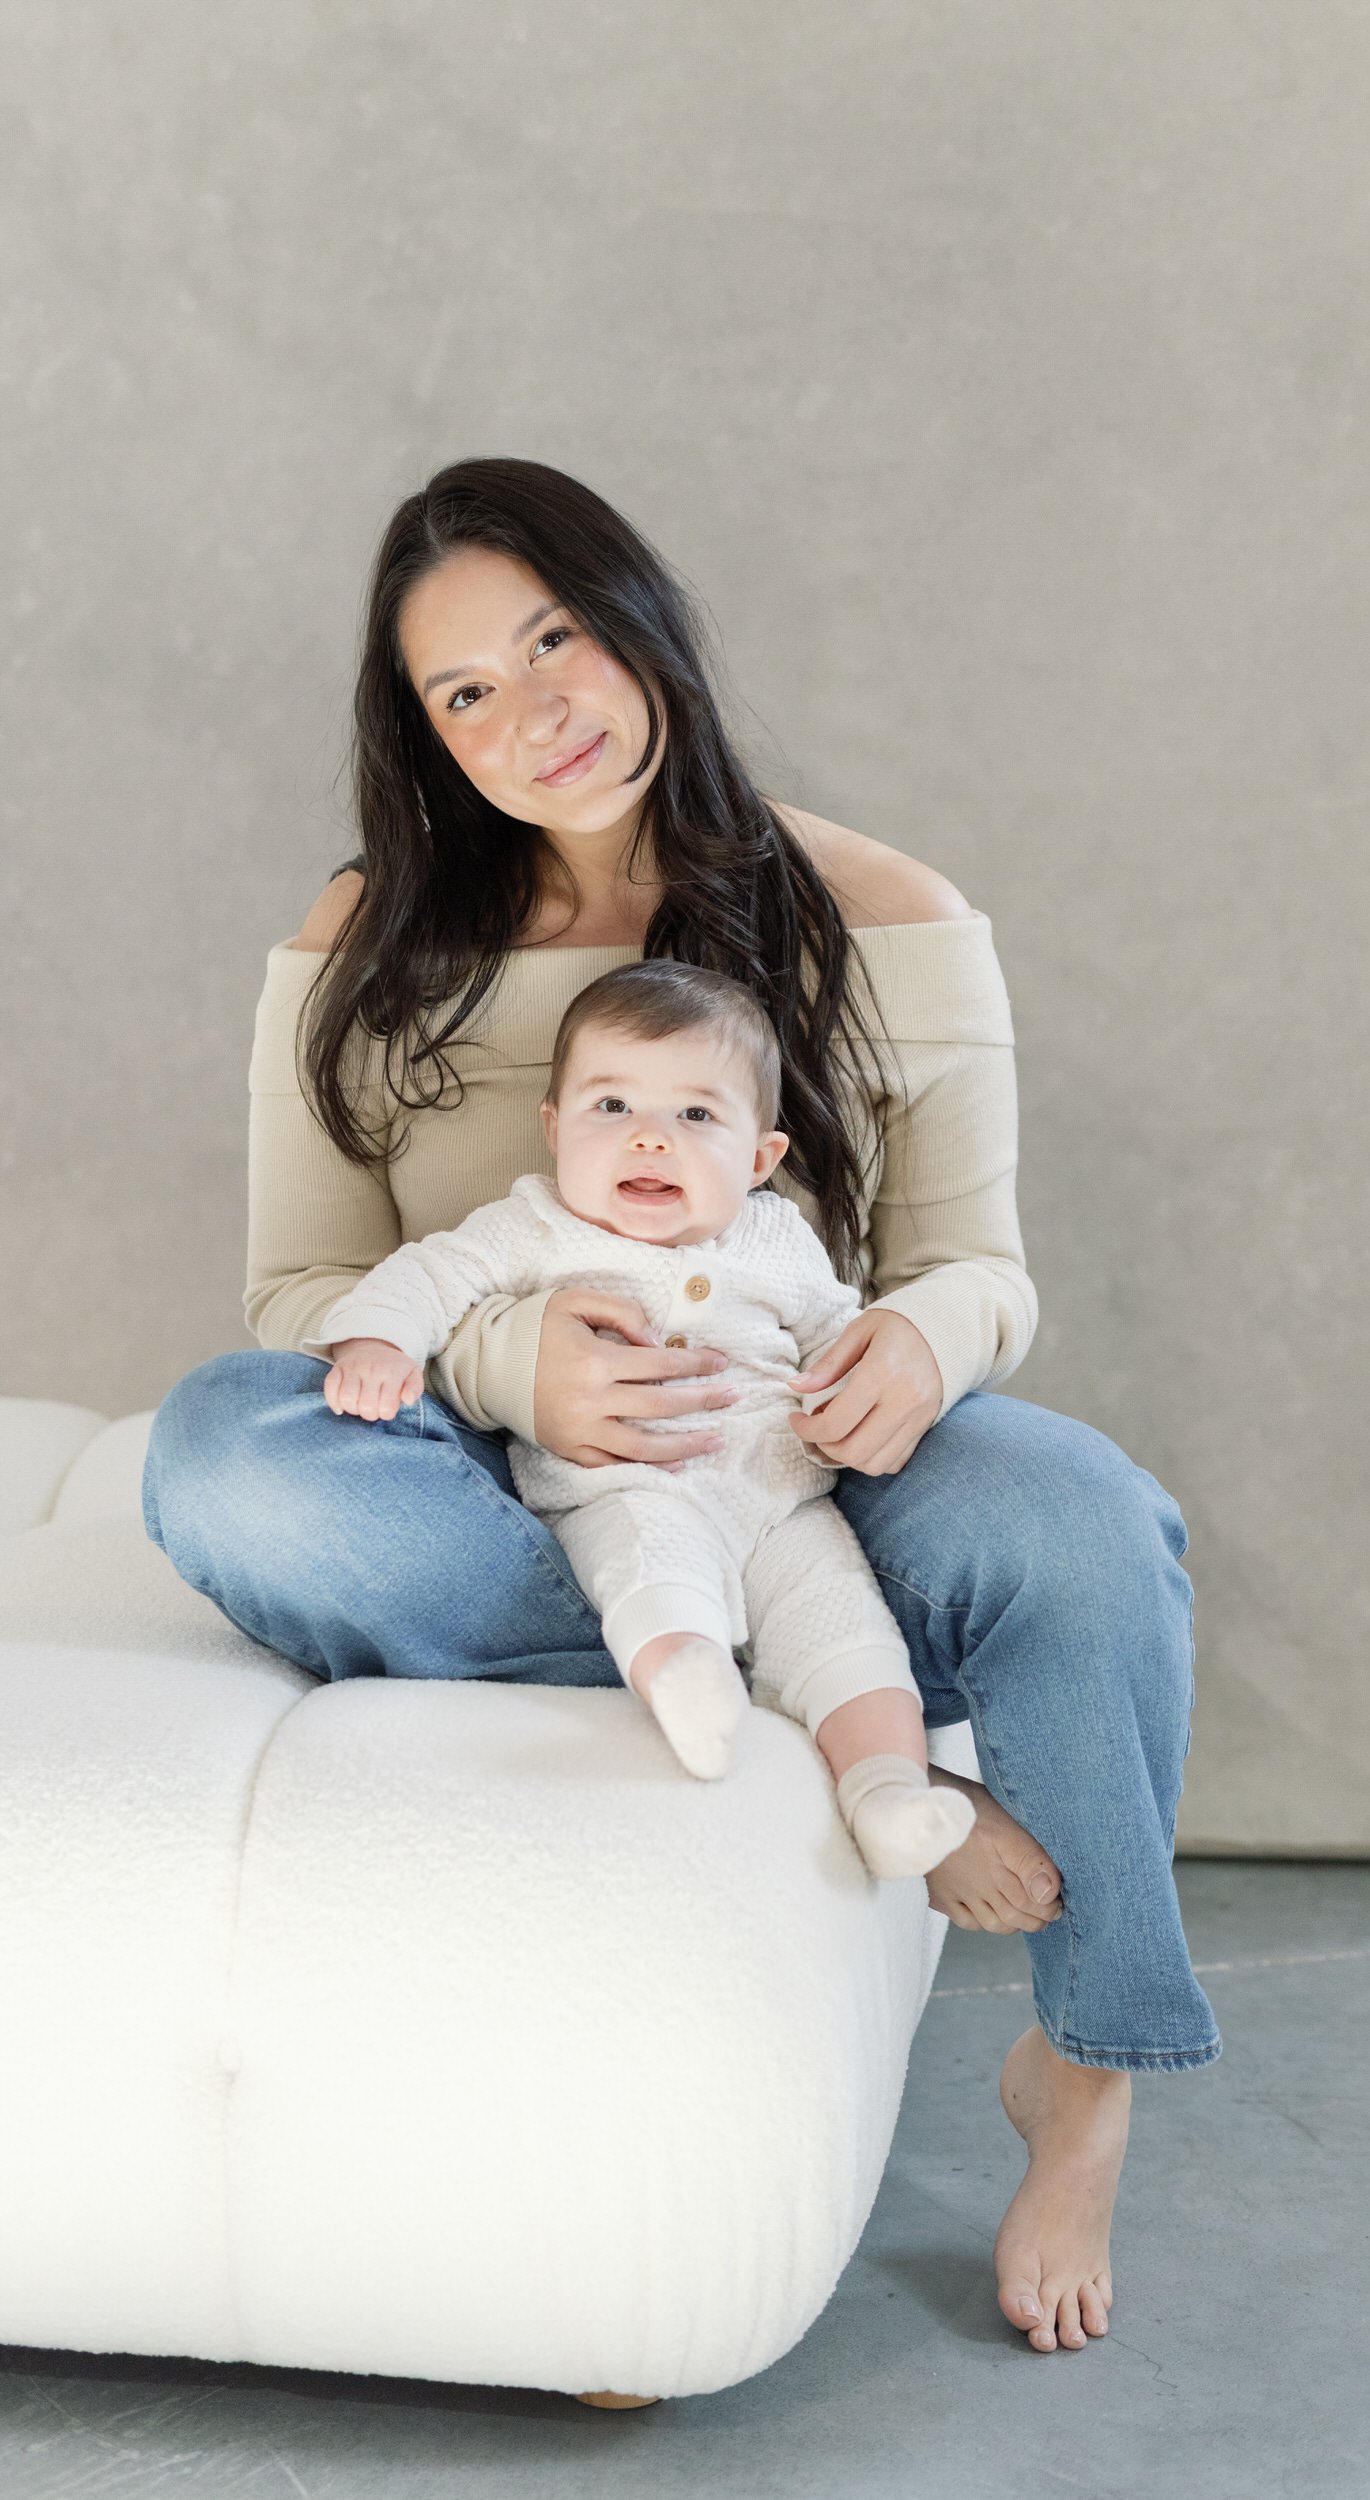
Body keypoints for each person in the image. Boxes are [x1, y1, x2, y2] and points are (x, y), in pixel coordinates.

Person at [141, 454, 1220, 2359]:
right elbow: (301, 1300)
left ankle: (1085, 2070)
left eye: (555, 638)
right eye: (466, 690)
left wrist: (922, 1348)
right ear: (427, 734)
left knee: (1081, 1518)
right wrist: (512, 1363)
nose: (532, 712)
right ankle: (829, 1716)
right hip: (495, 1486)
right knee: (225, 1451)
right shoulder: (362, 941)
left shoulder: (883, 912)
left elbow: (977, 1266)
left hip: (798, 1452)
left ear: (637, 618)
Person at [303, 955, 979, 1878]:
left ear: (758, 1159)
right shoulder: (536, 1225)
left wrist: (854, 1396)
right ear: (554, 1129)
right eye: (612, 1106)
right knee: (653, 1579)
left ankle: (887, 1795)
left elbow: (838, 1336)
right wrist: (379, 1344)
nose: (650, 1139)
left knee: (850, 1637)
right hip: (626, 1487)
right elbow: (430, 1274)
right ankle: (689, 1689)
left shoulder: (778, 1239)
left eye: (695, 1115)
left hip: (784, 1504)